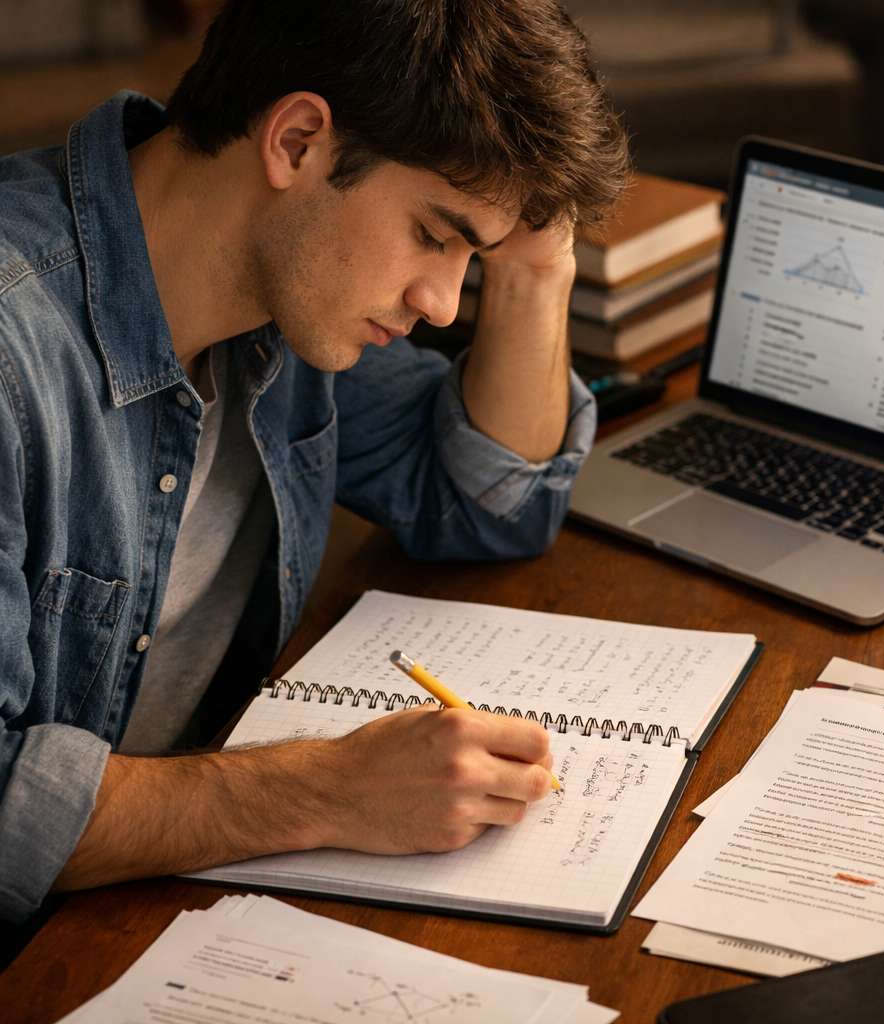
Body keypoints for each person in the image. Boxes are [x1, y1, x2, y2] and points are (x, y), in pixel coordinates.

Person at [0, 0, 628, 924]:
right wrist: (327, 790)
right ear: (296, 142)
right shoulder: (14, 355)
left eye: (471, 258)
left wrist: (537, 271)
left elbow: (487, 498)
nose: (444, 304)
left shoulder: (280, 306)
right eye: (434, 234)